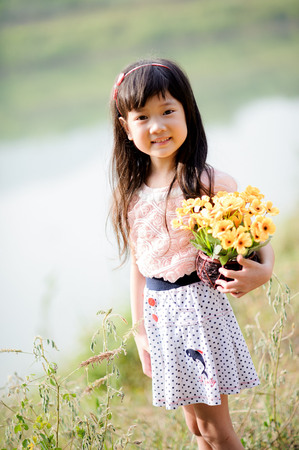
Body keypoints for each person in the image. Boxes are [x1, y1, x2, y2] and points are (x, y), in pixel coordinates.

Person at [109, 58, 274, 449]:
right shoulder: (131, 193)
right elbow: (139, 266)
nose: (157, 126)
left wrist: (262, 273)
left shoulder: (207, 181)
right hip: (159, 316)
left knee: (217, 429)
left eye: (168, 111)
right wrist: (140, 332)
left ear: (188, 111)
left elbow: (259, 239)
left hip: (198, 313)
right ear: (125, 127)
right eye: (143, 117)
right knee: (197, 429)